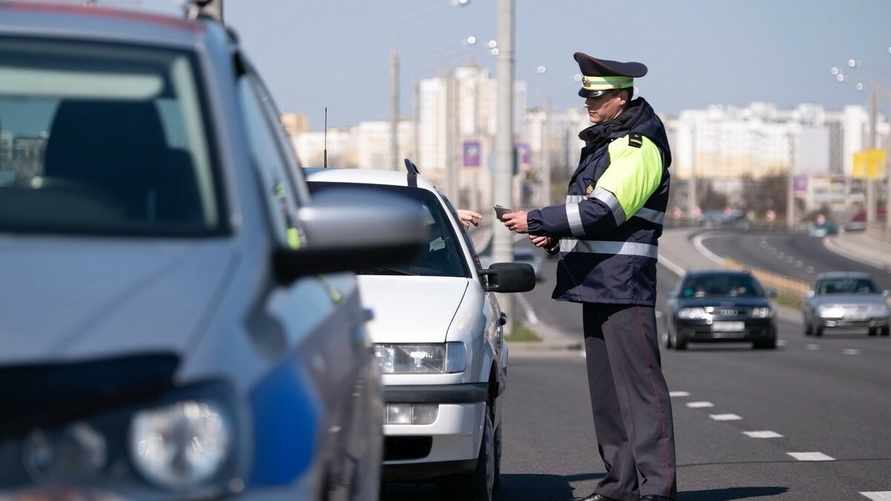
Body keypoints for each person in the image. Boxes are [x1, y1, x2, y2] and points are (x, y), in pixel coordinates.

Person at [500, 52, 676, 501]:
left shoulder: (637, 146)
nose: (588, 102)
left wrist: (537, 219)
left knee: (640, 393)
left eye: (596, 96)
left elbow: (605, 210)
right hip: (598, 282)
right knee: (608, 397)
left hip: (624, 285)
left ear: (621, 97)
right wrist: (554, 236)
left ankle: (656, 489)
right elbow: (589, 218)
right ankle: (619, 486)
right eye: (586, 95)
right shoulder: (606, 144)